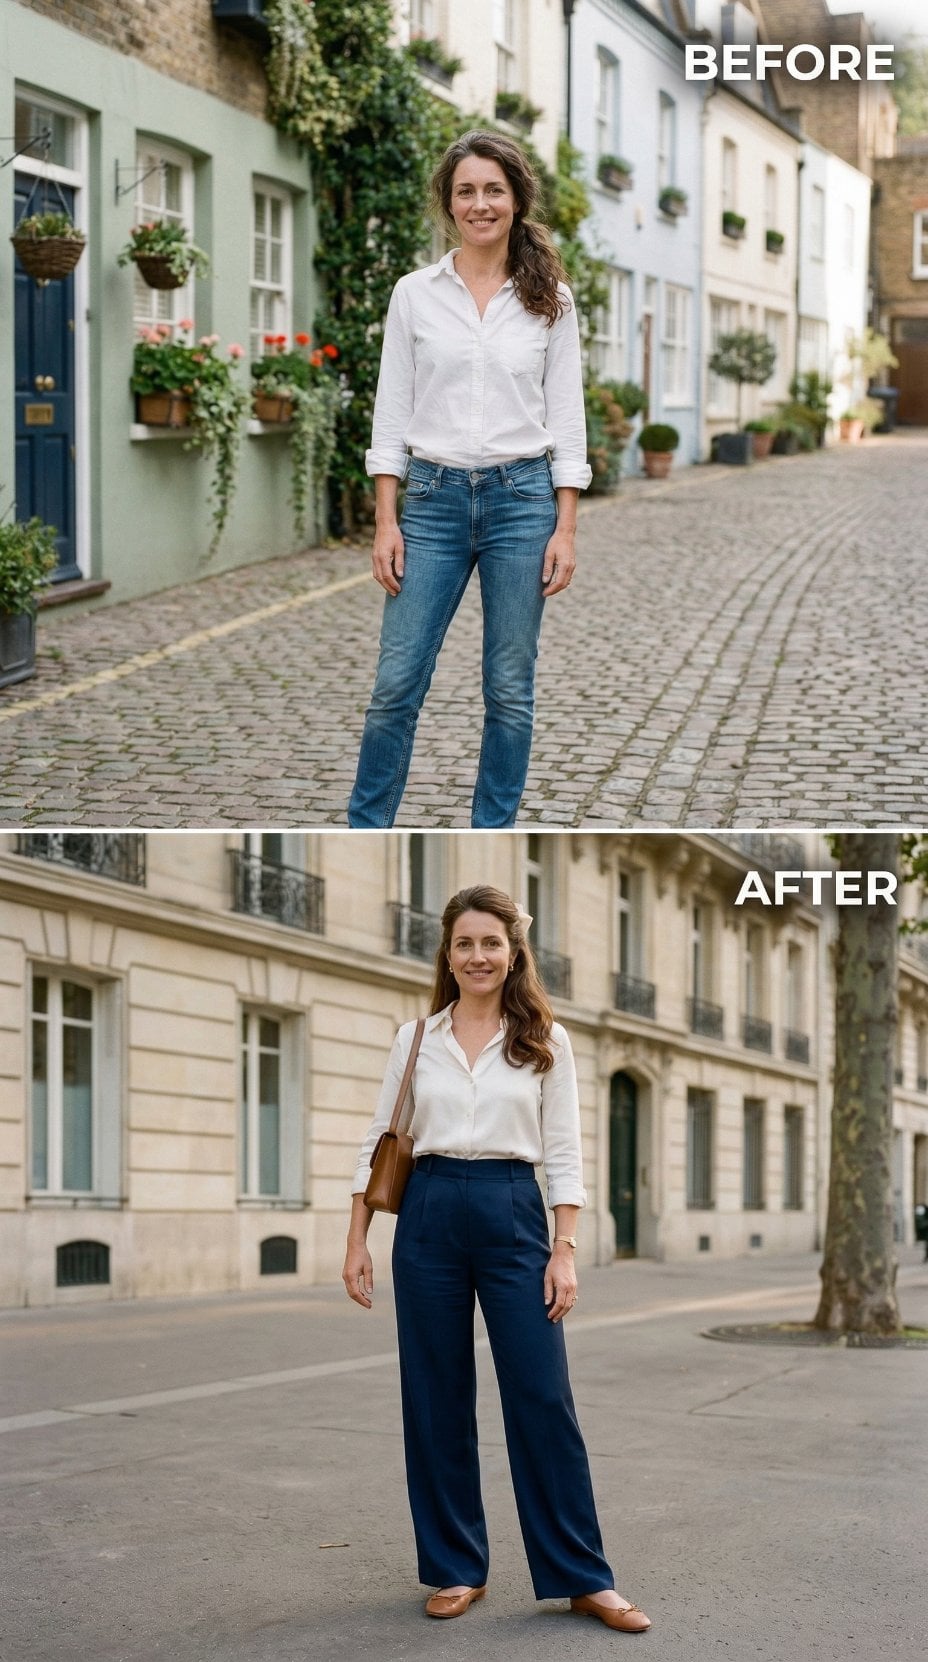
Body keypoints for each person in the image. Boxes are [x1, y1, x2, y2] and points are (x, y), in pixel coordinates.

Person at [342, 885, 651, 1633]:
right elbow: (379, 1139)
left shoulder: (546, 1038)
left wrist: (564, 1250)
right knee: (435, 1394)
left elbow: (565, 1152)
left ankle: (583, 1575)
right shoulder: (416, 1038)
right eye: (464, 944)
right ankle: (456, 1566)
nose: (477, 956)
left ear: (513, 954)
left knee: (543, 1395)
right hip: (429, 1212)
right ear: (447, 956)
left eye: (490, 943)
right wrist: (357, 1239)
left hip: (514, 1208)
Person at [347, 130, 591, 829]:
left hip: (523, 504)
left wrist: (565, 529)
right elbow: (391, 410)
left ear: (516, 200)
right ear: (449, 204)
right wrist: (385, 520)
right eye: (466, 192)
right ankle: (367, 826)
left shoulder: (551, 301)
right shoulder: (414, 295)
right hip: (431, 503)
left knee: (509, 689)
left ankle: (493, 827)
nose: (480, 204)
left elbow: (567, 418)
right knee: (396, 683)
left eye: (493, 190)